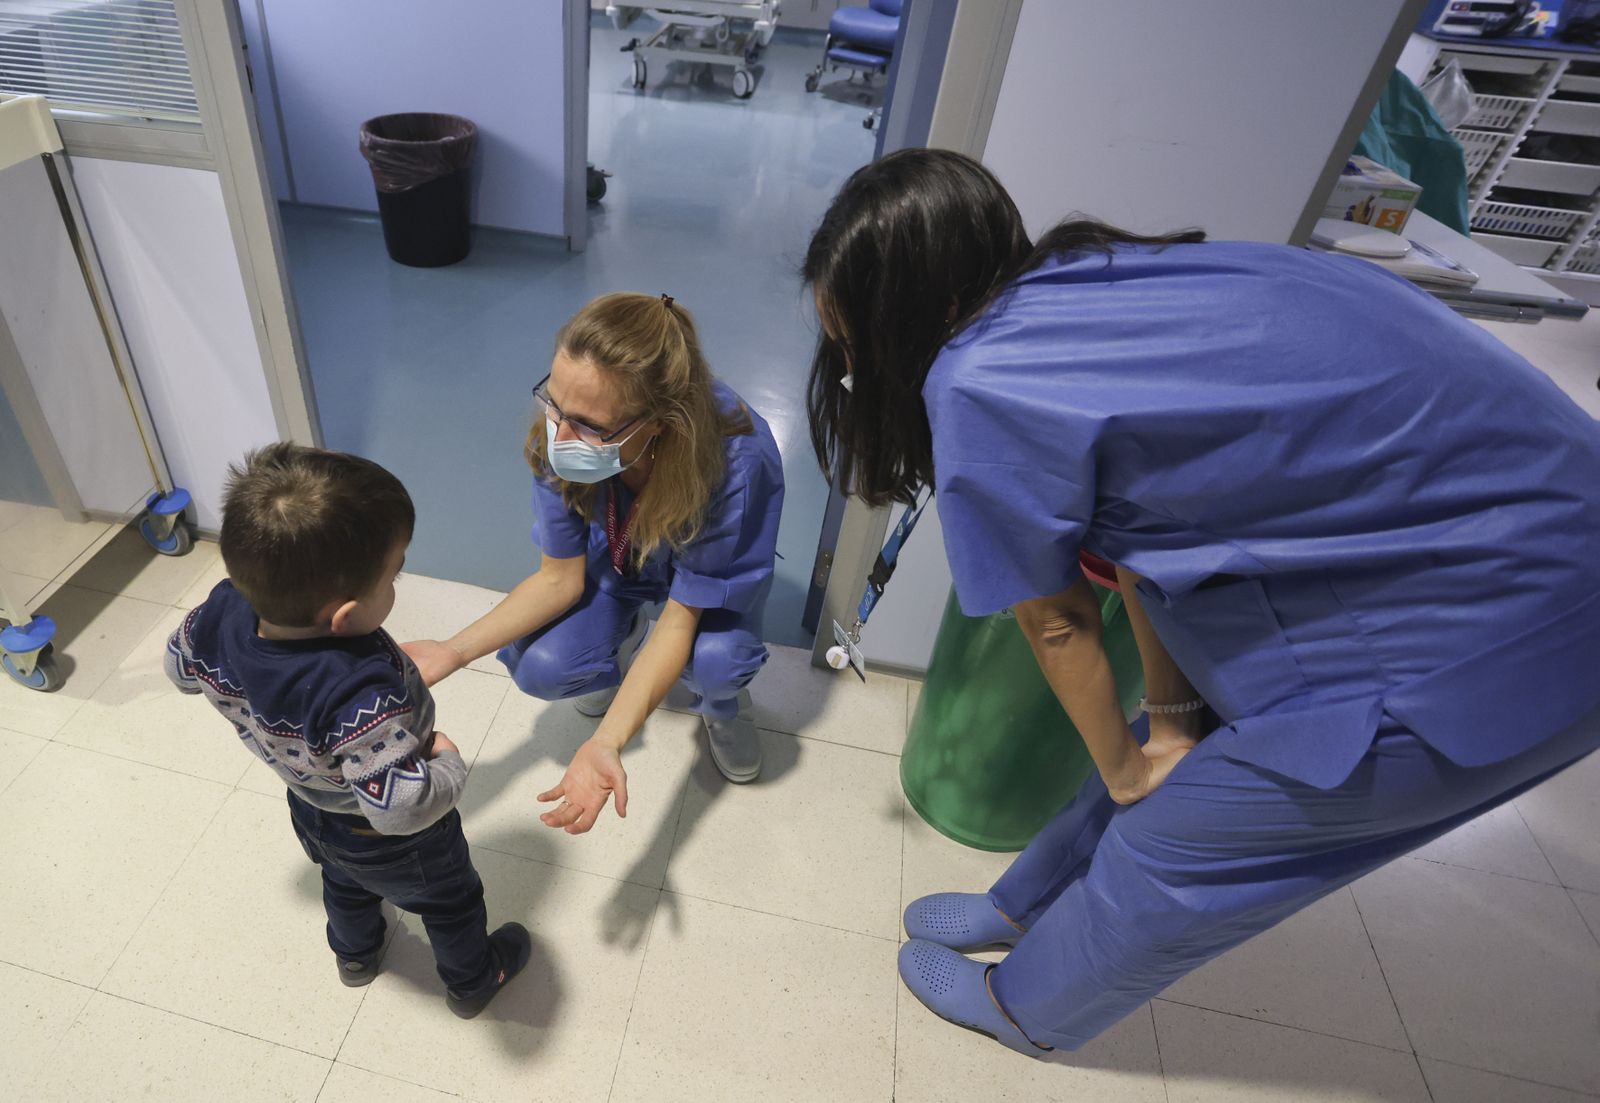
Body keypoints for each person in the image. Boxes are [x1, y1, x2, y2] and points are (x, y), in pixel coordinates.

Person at [803, 148, 1600, 1056]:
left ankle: (1025, 1007)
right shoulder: (1083, 277)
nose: (846, 360)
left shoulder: (981, 383)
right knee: (1150, 753)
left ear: (911, 312)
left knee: (1179, 847)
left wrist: (1134, 774)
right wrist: (1167, 728)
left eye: (851, 337)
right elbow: (1146, 548)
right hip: (1440, 533)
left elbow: (1058, 619)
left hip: (1526, 615)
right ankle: (1019, 908)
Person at [164, 444, 530, 1019]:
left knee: (343, 881)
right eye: (394, 575)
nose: (396, 585)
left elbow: (180, 669)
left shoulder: (225, 606)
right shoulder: (359, 697)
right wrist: (449, 766)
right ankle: (473, 980)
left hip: (313, 806)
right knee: (452, 903)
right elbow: (400, 807)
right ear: (345, 616)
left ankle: (355, 956)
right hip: (390, 837)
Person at [404, 292, 784, 833]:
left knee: (718, 660)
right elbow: (558, 578)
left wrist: (607, 742)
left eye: (586, 424)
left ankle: (722, 710)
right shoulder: (558, 435)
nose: (560, 435)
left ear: (657, 423)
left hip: (701, 588)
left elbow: (682, 618)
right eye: (553, 404)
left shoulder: (734, 459)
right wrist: (453, 650)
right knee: (542, 665)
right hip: (623, 558)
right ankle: (620, 640)